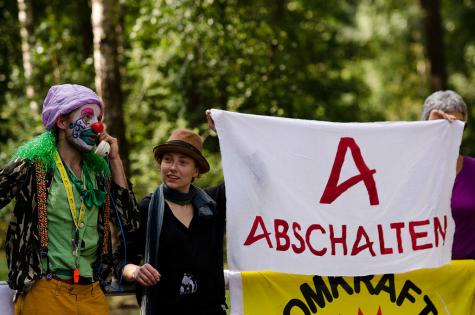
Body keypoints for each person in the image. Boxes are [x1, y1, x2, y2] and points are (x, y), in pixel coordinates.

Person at [0, 84, 139, 315]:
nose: (97, 125)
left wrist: (115, 161)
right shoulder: (33, 164)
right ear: (62, 122)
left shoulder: (98, 173)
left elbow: (131, 224)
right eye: (86, 116)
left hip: (92, 293)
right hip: (45, 291)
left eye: (98, 117)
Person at [115, 128, 227, 315]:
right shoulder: (146, 209)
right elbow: (120, 260)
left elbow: (253, 173)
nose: (173, 167)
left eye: (183, 162)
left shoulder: (212, 204)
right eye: (168, 160)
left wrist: (225, 130)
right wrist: (136, 271)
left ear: (196, 170)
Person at [422, 90, 475, 260]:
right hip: (423, 278)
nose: (450, 132)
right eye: (441, 126)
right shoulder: (412, 171)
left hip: (468, 279)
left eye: (457, 125)